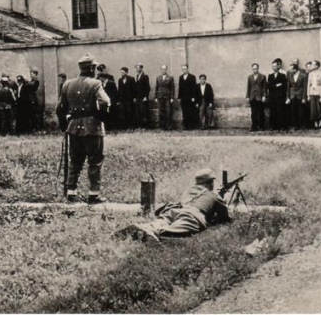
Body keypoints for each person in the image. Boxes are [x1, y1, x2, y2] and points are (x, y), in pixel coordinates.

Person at [115, 168, 230, 242]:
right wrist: (220, 198)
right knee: (173, 231)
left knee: (160, 222)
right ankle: (153, 234)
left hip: (174, 211)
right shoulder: (213, 195)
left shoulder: (189, 190)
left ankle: (145, 227)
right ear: (211, 183)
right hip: (192, 214)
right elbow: (225, 218)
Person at [56, 54, 111, 204]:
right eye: (94, 68)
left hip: (73, 127)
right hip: (92, 127)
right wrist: (101, 116)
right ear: (92, 68)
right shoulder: (95, 83)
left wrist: (63, 124)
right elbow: (105, 102)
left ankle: (71, 192)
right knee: (95, 161)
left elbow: (59, 107)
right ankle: (94, 194)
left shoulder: (68, 84)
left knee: (75, 160)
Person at [266, 58, 288, 131]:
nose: (274, 68)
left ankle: (281, 126)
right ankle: (273, 126)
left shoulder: (282, 75)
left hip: (280, 96)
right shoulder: (270, 76)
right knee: (273, 111)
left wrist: (276, 86)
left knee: (280, 111)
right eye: (272, 66)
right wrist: (276, 85)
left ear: (278, 67)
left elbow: (284, 85)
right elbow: (268, 86)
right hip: (272, 96)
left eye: (275, 66)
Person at [286, 58, 307, 130]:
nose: (290, 71)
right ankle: (295, 126)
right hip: (292, 95)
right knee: (293, 111)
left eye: (292, 69)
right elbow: (288, 86)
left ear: (296, 69)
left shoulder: (303, 76)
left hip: (300, 95)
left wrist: (304, 97)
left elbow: (305, 87)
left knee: (301, 111)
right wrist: (288, 97)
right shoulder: (290, 75)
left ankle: (302, 125)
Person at [246, 63, 266, 131]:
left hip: (259, 96)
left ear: (258, 68)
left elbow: (264, 87)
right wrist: (247, 96)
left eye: (256, 69)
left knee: (260, 112)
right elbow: (248, 87)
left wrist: (264, 96)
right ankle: (254, 126)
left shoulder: (262, 76)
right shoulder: (250, 77)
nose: (255, 70)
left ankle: (261, 126)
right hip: (252, 97)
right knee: (253, 113)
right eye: (253, 69)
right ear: (252, 69)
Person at [178, 64, 198, 130]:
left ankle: (191, 126)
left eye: (185, 69)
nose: (184, 70)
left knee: (190, 111)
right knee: (184, 111)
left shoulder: (192, 77)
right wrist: (179, 97)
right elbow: (180, 88)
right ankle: (185, 125)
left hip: (190, 97)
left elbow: (194, 87)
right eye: (183, 69)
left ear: (187, 69)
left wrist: (193, 97)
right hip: (183, 98)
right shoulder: (180, 77)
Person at [155, 65, 175, 130]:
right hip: (160, 97)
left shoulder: (170, 78)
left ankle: (168, 126)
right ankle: (162, 126)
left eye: (165, 69)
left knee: (168, 111)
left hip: (167, 97)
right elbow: (156, 87)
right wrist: (155, 97)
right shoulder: (158, 78)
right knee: (161, 112)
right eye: (162, 69)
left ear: (166, 70)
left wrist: (172, 97)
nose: (163, 70)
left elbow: (172, 88)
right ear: (160, 70)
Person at [307, 60, 321, 129]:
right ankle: (315, 123)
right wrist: (308, 95)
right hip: (312, 92)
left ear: (317, 66)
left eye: (313, 64)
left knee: (319, 108)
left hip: (318, 93)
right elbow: (308, 85)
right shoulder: (310, 74)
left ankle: (320, 123)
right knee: (313, 108)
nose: (312, 66)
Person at [133, 63, 150, 128]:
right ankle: (140, 125)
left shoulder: (145, 76)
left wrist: (145, 96)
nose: (136, 69)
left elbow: (147, 87)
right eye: (136, 68)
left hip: (143, 97)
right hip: (138, 97)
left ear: (141, 68)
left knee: (144, 111)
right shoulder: (137, 76)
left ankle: (145, 126)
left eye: (138, 68)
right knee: (138, 111)